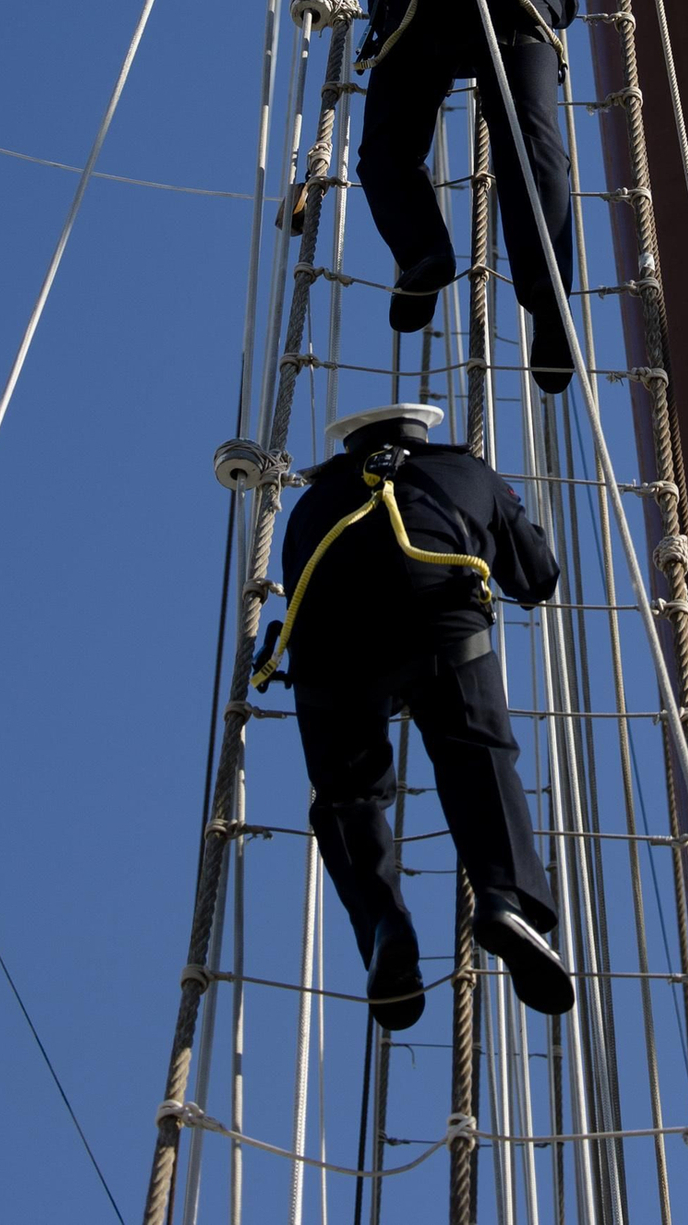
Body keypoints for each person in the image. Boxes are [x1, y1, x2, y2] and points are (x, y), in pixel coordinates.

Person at [257, 402, 573, 1027]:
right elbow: (537, 579)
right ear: (422, 433)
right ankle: (504, 897)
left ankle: (384, 930)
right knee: (476, 753)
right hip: (438, 621)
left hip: (330, 651)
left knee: (347, 795)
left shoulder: (310, 504)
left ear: (349, 447)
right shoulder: (467, 472)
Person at [355, 0, 578, 393]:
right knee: (531, 144)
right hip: (516, 3)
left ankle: (423, 252)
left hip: (421, 3)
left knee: (387, 147)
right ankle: (549, 299)